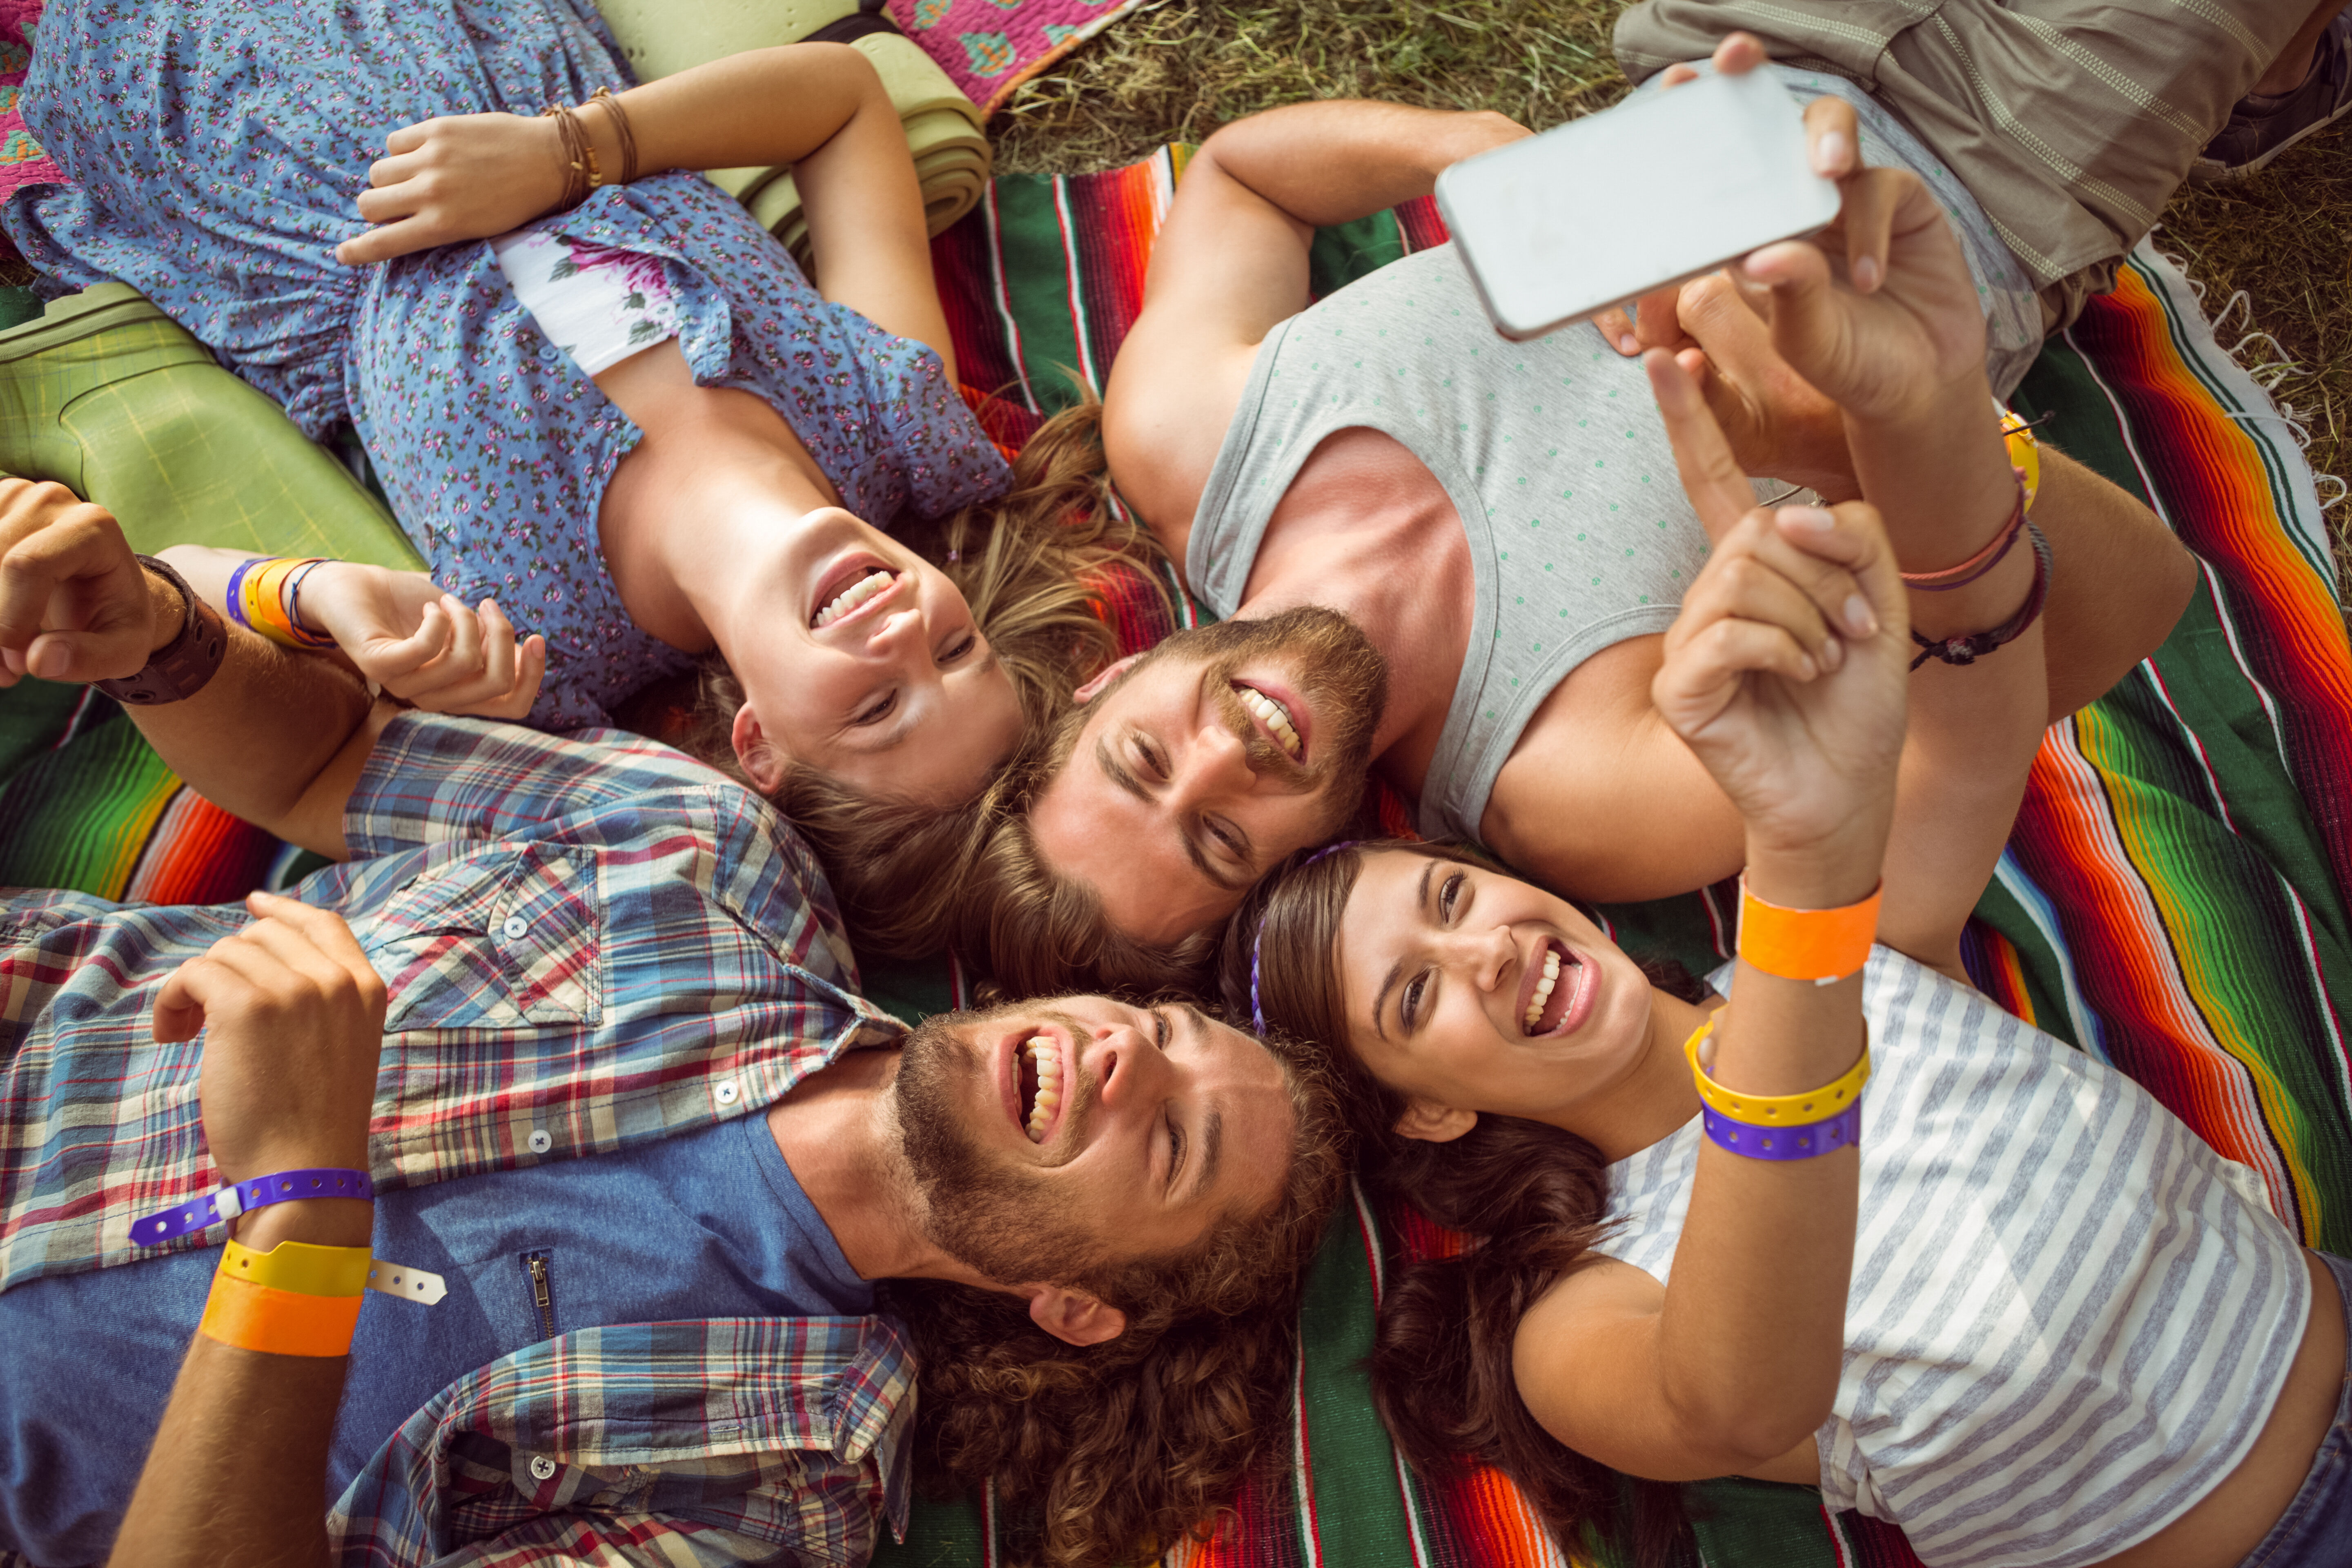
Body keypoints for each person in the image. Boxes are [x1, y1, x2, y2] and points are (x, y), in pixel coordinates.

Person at [1222, 272, 2351, 1568]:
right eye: (1414, 997)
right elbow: (1736, 1399)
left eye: (1453, 894)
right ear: (1424, 1107)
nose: (1485, 949)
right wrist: (1808, 876)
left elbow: (2126, 595)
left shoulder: (1836, 947)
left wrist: (1867, 439)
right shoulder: (1578, 1310)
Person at [0, 480, 1345, 1567]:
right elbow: (320, 766)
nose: (1126, 1061)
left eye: (1171, 1145)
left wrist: (301, 1217)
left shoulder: (775, 1495)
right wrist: (160, 639)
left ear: (1077, 1308)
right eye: (1160, 1032)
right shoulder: (702, 846)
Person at [930, 28, 2217, 995]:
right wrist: (1879, 437)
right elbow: (2080, 637)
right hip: (1993, 167)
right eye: (1218, 839)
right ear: (1287, 889)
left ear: (1105, 687)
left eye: (1143, 762)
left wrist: (1457, 148)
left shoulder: (1188, 443)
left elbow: (1239, 182)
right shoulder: (1572, 791)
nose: (1227, 759)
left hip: (1718, 52)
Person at [3, 0, 1157, 813]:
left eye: (875, 712)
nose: (907, 638)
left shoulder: (540, 659)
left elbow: (165, 587)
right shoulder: (893, 423)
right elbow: (844, 106)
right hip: (487, 47)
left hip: (225, 137)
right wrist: (573, 149)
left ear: (756, 744)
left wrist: (337, 615)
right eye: (959, 649)